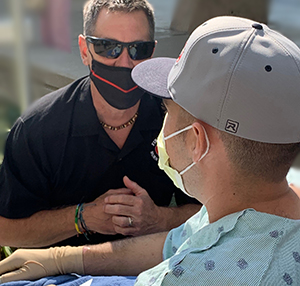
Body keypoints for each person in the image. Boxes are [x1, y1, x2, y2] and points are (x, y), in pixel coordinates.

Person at [1, 15, 300, 286]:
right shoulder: (246, 208)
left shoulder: (188, 278)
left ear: (197, 140)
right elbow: (175, 242)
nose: (124, 63)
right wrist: (64, 258)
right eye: (108, 47)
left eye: (167, 110)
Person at [0, 0, 200, 248]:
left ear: (152, 53)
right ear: (85, 50)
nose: (125, 62)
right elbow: (6, 230)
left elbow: (216, 212)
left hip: (147, 266)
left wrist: (159, 218)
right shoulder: (39, 129)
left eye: (139, 49)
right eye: (108, 47)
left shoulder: (173, 119)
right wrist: (83, 218)